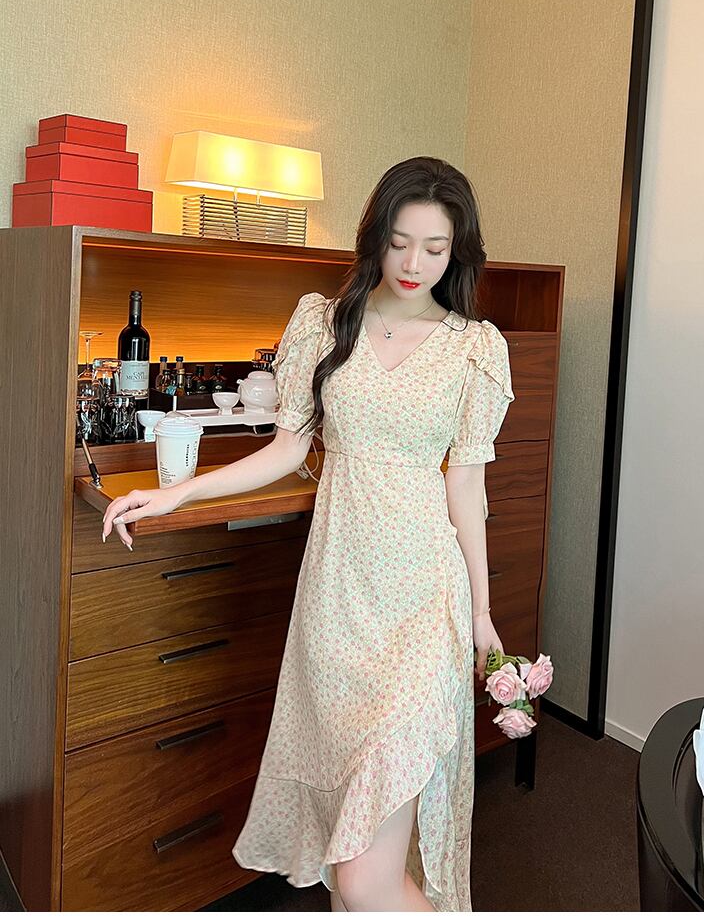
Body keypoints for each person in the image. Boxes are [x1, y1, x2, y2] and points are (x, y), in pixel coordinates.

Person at [101, 156, 516, 912]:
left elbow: (467, 488)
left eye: (435, 248)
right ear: (374, 237)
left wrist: (482, 615)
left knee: (363, 875)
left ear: (457, 251)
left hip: (426, 601)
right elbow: (288, 448)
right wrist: (174, 493)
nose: (414, 263)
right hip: (339, 597)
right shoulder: (324, 323)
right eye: (399, 242)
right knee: (348, 839)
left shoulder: (473, 348)